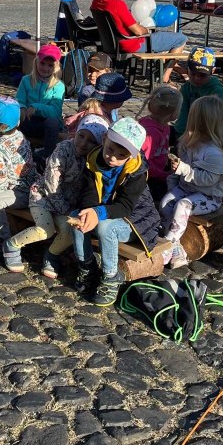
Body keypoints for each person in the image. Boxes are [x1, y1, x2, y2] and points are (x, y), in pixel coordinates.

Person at [72, 118, 162, 307]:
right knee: (77, 217)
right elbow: (89, 193)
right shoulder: (93, 160)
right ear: (105, 139)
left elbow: (125, 206)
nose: (113, 158)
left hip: (135, 222)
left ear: (131, 156)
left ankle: (111, 277)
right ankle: (87, 265)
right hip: (106, 212)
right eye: (110, 149)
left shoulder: (136, 172)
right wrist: (90, 211)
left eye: (121, 155)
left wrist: (97, 212)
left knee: (106, 228)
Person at [3, 120, 106, 277]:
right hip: (43, 197)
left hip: (68, 203)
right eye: (81, 136)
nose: (84, 143)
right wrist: (66, 210)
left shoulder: (93, 158)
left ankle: (52, 254)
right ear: (76, 133)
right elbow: (52, 184)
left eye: (91, 141)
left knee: (71, 230)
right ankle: (12, 244)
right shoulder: (64, 149)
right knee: (45, 230)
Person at [160, 95, 223, 268]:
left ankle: (167, 245)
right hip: (187, 188)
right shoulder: (189, 143)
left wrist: (183, 170)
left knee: (182, 206)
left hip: (208, 196)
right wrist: (174, 179)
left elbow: (208, 180)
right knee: (165, 203)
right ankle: (176, 246)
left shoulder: (214, 152)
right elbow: (180, 168)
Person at [91, 0, 187, 80]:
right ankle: (165, 76)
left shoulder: (95, 3)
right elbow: (138, 31)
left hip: (110, 43)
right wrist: (146, 30)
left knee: (163, 42)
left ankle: (177, 69)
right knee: (181, 39)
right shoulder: (117, 4)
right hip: (131, 43)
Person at [0, 98, 38, 254]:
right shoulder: (20, 136)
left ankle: (3, 239)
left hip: (21, 194)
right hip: (30, 186)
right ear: (18, 122)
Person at [16, 44, 65, 159]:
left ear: (56, 67)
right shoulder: (26, 80)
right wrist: (22, 108)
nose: (45, 68)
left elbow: (56, 111)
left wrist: (36, 107)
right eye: (42, 63)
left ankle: (47, 154)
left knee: (53, 122)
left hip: (46, 126)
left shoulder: (59, 86)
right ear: (36, 62)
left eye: (50, 65)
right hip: (28, 121)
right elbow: (19, 99)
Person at [138, 86, 184, 201]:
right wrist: (164, 175)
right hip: (150, 178)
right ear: (172, 113)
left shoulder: (163, 125)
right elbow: (144, 163)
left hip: (158, 170)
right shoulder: (151, 132)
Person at [174, 48, 223, 138]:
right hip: (187, 133)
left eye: (202, 75)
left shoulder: (216, 90)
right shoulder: (186, 88)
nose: (197, 78)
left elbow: (219, 120)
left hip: (210, 134)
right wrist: (181, 135)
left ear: (212, 71)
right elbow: (182, 116)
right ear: (188, 69)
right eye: (193, 74)